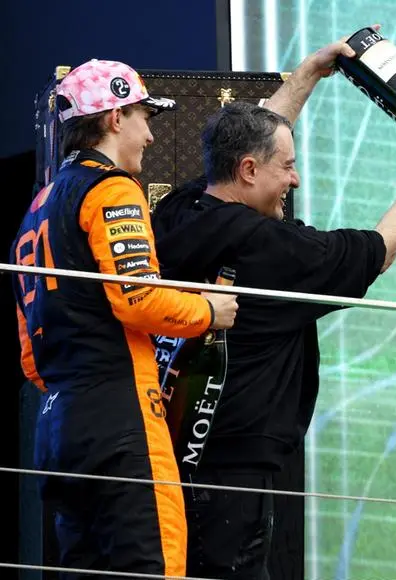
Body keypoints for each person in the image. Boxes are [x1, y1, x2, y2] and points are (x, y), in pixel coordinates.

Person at [149, 34, 396, 578]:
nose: (295, 179)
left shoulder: (180, 208)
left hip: (173, 453)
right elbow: (377, 252)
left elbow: (254, 135)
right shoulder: (266, 245)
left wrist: (309, 71)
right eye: (287, 167)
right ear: (248, 171)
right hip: (237, 467)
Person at [10, 59, 239, 579]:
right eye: (144, 116)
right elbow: (137, 300)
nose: (151, 136)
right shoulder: (111, 188)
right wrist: (208, 311)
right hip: (121, 421)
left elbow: (29, 350)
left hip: (58, 429)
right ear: (115, 118)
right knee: (152, 567)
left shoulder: (37, 207)